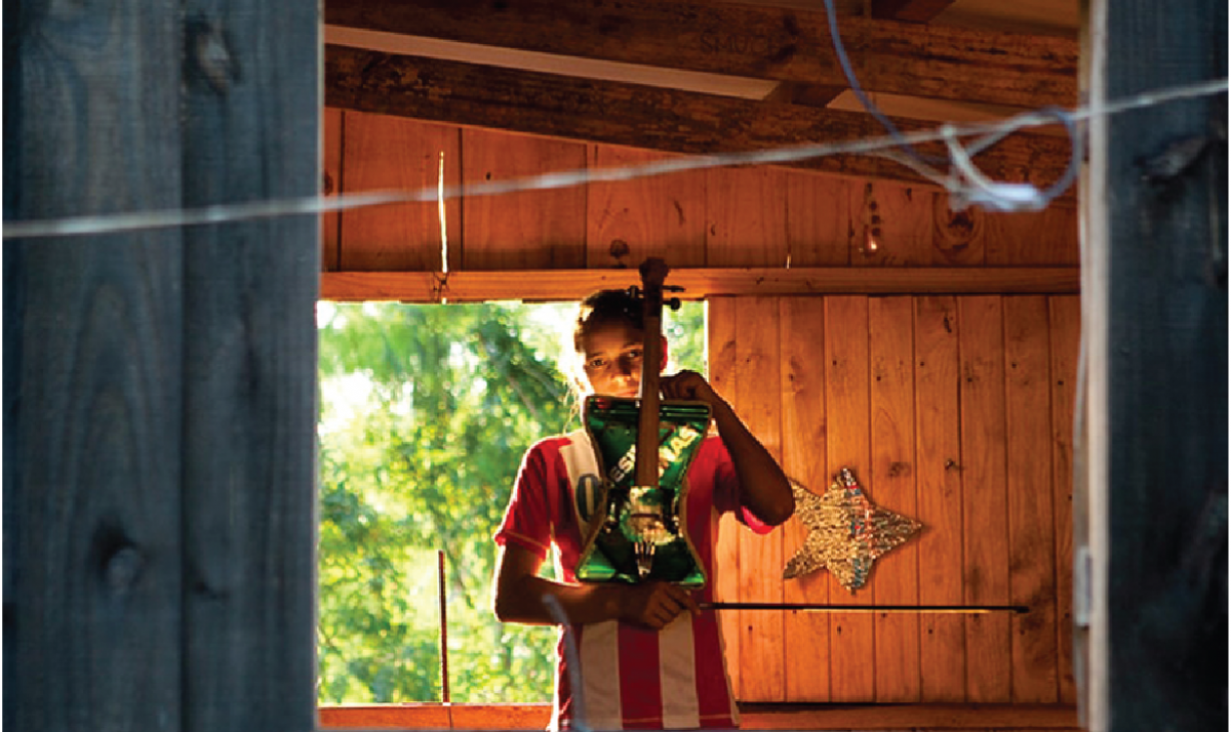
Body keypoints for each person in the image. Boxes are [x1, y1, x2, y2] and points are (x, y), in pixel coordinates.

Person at [492, 289, 794, 731]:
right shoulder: (553, 459)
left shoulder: (703, 452)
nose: (620, 374)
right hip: (595, 709)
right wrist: (617, 600)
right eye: (598, 362)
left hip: (699, 705)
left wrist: (717, 410)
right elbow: (511, 597)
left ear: (661, 354)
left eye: (634, 353)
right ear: (578, 374)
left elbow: (777, 507)